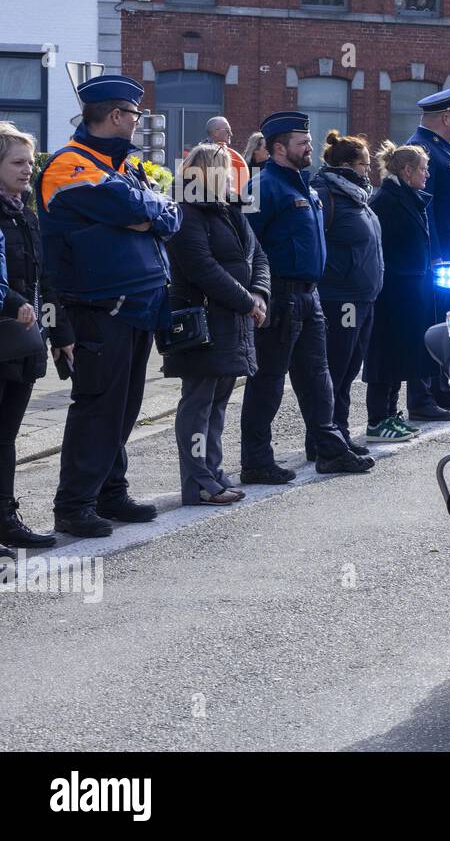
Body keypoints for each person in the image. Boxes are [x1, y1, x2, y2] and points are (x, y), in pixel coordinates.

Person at [37, 74, 182, 537]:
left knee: (125, 406)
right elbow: (132, 210)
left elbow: (170, 214)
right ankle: (75, 504)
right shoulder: (70, 166)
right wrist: (147, 212)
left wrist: (149, 212)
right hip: (100, 308)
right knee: (98, 407)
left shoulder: (123, 167)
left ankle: (110, 492)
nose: (140, 123)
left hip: (138, 306)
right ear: (117, 115)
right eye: (135, 115)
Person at [240, 111, 374, 483]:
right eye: (302, 142)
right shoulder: (262, 187)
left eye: (309, 141)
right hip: (279, 295)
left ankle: (328, 448)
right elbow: (246, 246)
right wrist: (258, 294)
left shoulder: (306, 186)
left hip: (309, 296)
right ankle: (255, 460)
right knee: (267, 380)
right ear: (279, 148)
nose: (309, 147)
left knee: (318, 376)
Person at [165, 143, 269, 505]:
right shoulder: (186, 212)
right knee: (198, 404)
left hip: (233, 321)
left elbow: (258, 254)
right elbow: (201, 269)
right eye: (225, 169)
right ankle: (199, 483)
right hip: (205, 324)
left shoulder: (229, 209)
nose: (232, 176)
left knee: (218, 402)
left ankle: (214, 473)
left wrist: (259, 294)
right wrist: (247, 302)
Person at [0, 123, 72, 551]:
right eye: (18, 162)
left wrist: (60, 332)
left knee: (6, 436)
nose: (29, 169)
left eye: (31, 161)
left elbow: (46, 279)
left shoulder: (26, 212)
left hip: (23, 343)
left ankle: (6, 518)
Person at [365, 142, 446, 439]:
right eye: (423, 169)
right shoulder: (386, 200)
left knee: (401, 357)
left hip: (411, 290)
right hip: (393, 292)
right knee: (386, 357)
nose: (427, 174)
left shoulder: (409, 196)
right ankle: (378, 420)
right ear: (408, 170)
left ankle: (391, 414)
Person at [310, 130, 383, 458]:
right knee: (337, 368)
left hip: (362, 296)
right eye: (364, 165)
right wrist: (339, 275)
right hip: (341, 298)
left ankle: (338, 430)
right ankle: (325, 435)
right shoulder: (327, 194)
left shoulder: (356, 196)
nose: (369, 171)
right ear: (346, 165)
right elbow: (317, 243)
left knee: (350, 367)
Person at [405, 87, 450, 416]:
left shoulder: (447, 151)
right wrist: (435, 254)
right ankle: (423, 397)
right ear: (445, 118)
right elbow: (424, 207)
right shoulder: (421, 149)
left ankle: (441, 388)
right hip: (441, 256)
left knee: (447, 323)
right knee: (431, 323)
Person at [206, 116, 249, 196]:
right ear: (216, 132)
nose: (231, 134)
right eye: (227, 130)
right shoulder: (205, 156)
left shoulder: (205, 153)